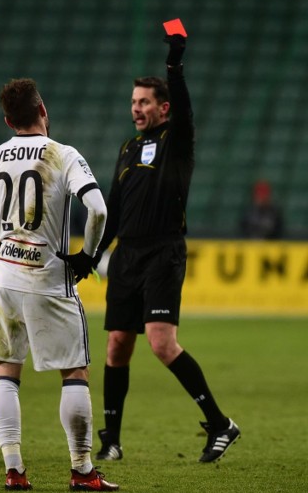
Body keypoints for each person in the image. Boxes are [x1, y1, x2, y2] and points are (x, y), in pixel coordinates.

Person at [0, 78, 118, 492]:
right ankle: (82, 470)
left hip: (4, 279)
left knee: (7, 370)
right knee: (74, 371)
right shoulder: (63, 154)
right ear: (43, 111)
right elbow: (98, 209)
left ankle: (15, 470)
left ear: (7, 120)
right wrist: (88, 256)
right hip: (49, 278)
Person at [91, 30, 240, 464]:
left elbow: (186, 108)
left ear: (163, 108)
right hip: (126, 257)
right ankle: (112, 440)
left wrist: (175, 65)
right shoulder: (127, 148)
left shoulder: (177, 141)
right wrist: (93, 253)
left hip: (163, 251)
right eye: (134, 101)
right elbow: (114, 210)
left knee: (160, 342)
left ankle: (219, 424)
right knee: (118, 344)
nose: (136, 108)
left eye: (144, 102)